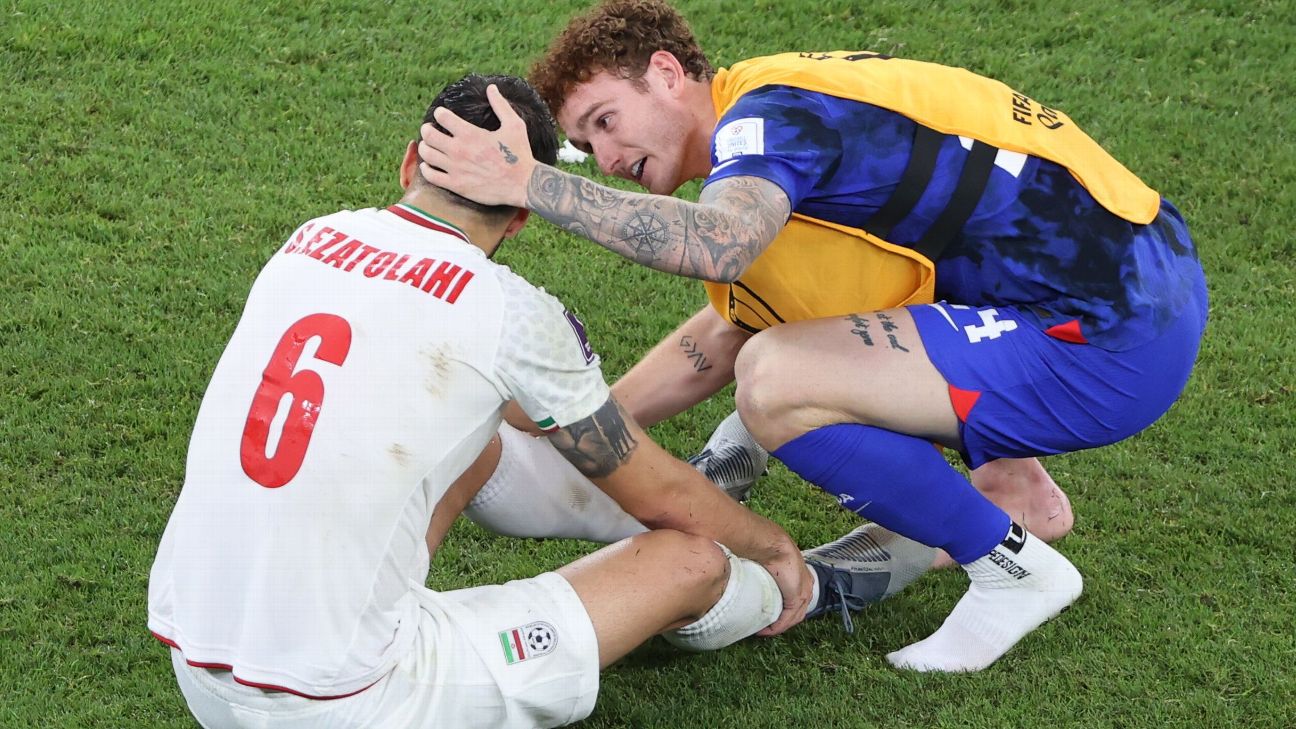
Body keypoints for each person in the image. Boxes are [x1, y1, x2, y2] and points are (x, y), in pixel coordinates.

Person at [415, 0, 1209, 673]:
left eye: (607, 123)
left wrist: (531, 182)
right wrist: (584, 423)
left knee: (776, 384)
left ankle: (1013, 568)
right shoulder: (773, 106)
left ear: (666, 72)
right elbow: (724, 328)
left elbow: (717, 247)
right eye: (588, 146)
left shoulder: (767, 121)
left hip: (1108, 334)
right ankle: (1013, 488)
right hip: (1136, 272)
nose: (610, 158)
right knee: (780, 347)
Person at [147, 74, 887, 729]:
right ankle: (808, 588)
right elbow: (652, 486)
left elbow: (519, 423)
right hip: (353, 699)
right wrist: (769, 543)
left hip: (197, 668)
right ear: (522, 213)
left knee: (480, 435)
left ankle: (714, 505)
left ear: (409, 162)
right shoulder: (508, 312)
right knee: (689, 556)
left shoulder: (311, 238)